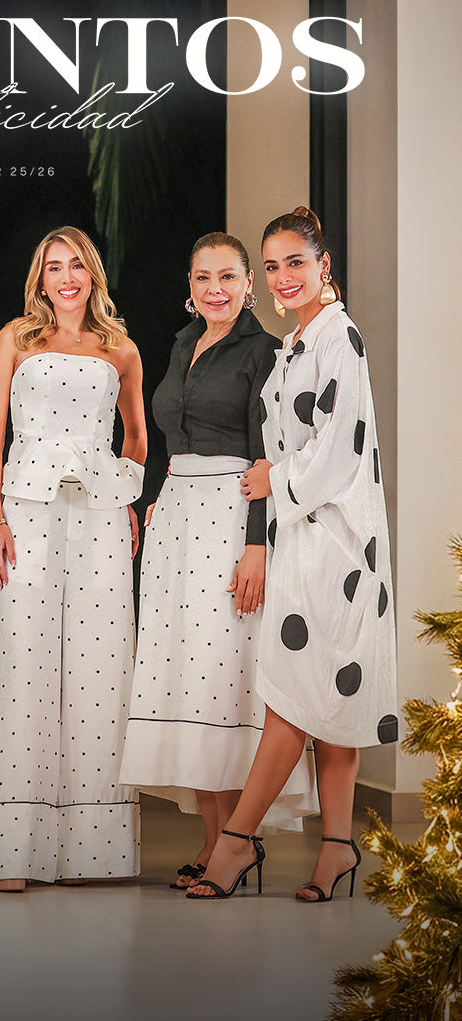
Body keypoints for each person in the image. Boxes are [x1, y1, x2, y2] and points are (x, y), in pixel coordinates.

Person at [189, 207, 398, 901]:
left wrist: (273, 479)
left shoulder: (340, 337)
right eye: (273, 266)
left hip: (336, 545)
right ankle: (337, 848)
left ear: (323, 264)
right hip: (304, 536)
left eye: (295, 263)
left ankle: (235, 843)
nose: (283, 277)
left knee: (293, 701)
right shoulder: (298, 341)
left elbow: (338, 447)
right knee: (329, 695)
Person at [119, 233, 316, 889]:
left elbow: (268, 457)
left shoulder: (265, 352)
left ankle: (239, 842)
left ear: (248, 284)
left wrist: (257, 546)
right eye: (204, 277)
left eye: (228, 277)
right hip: (177, 520)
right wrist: (161, 495)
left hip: (233, 521)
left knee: (222, 678)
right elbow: (171, 438)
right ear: (190, 283)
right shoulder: (182, 344)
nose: (215, 289)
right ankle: (212, 841)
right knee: (184, 678)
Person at [0, 226, 146, 892]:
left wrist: (125, 493)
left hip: (100, 517)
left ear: (92, 274)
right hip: (25, 511)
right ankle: (15, 853)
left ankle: (89, 854)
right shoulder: (16, 338)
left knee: (101, 662)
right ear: (39, 279)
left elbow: (137, 437)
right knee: (23, 660)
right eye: (54, 267)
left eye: (76, 265)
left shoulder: (120, 348)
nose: (66, 277)